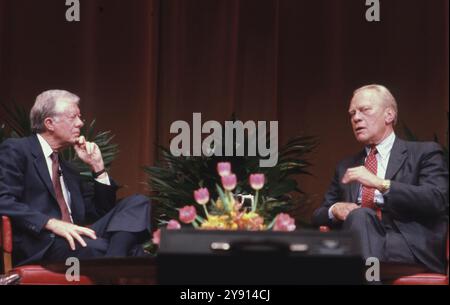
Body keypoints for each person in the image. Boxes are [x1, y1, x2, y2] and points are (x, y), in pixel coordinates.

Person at [0, 89, 151, 266]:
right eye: (73, 117)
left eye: (80, 117)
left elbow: (100, 212)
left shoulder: (69, 170)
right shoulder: (18, 150)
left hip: (77, 239)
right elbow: (3, 200)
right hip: (43, 242)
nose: (80, 124)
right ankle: (120, 258)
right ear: (49, 123)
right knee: (136, 254)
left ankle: (114, 261)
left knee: (138, 201)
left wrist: (98, 168)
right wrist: (51, 223)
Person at [312, 84, 448, 276]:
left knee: (353, 237)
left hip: (408, 247)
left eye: (364, 110)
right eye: (352, 114)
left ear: (389, 115)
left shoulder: (424, 153)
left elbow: (436, 200)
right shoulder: (347, 166)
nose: (356, 118)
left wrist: (380, 183)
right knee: (359, 217)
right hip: (359, 243)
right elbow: (318, 214)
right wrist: (336, 210)